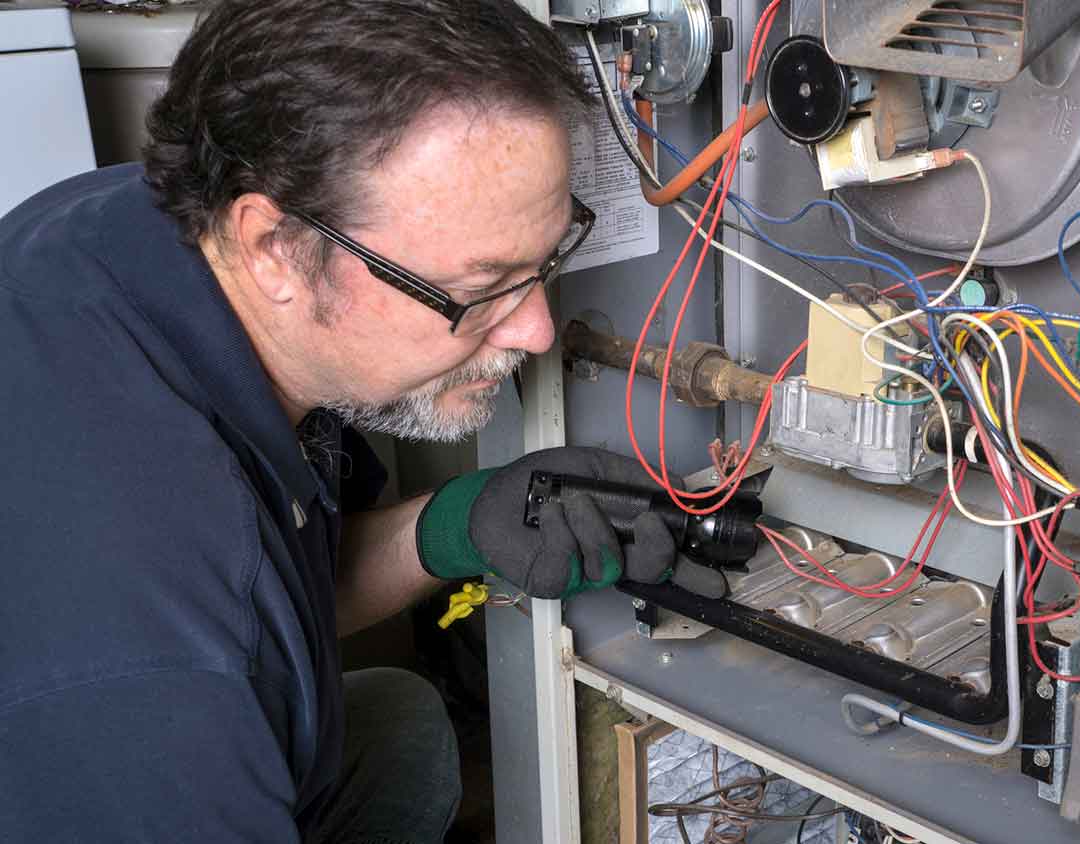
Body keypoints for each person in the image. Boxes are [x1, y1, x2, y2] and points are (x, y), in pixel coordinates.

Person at [0, 0, 721, 840]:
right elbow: (221, 617)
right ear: (273, 246)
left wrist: (461, 521)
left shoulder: (133, 224)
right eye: (479, 289)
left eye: (546, 260)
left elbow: (289, 584)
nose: (535, 331)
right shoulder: (159, 666)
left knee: (401, 728)